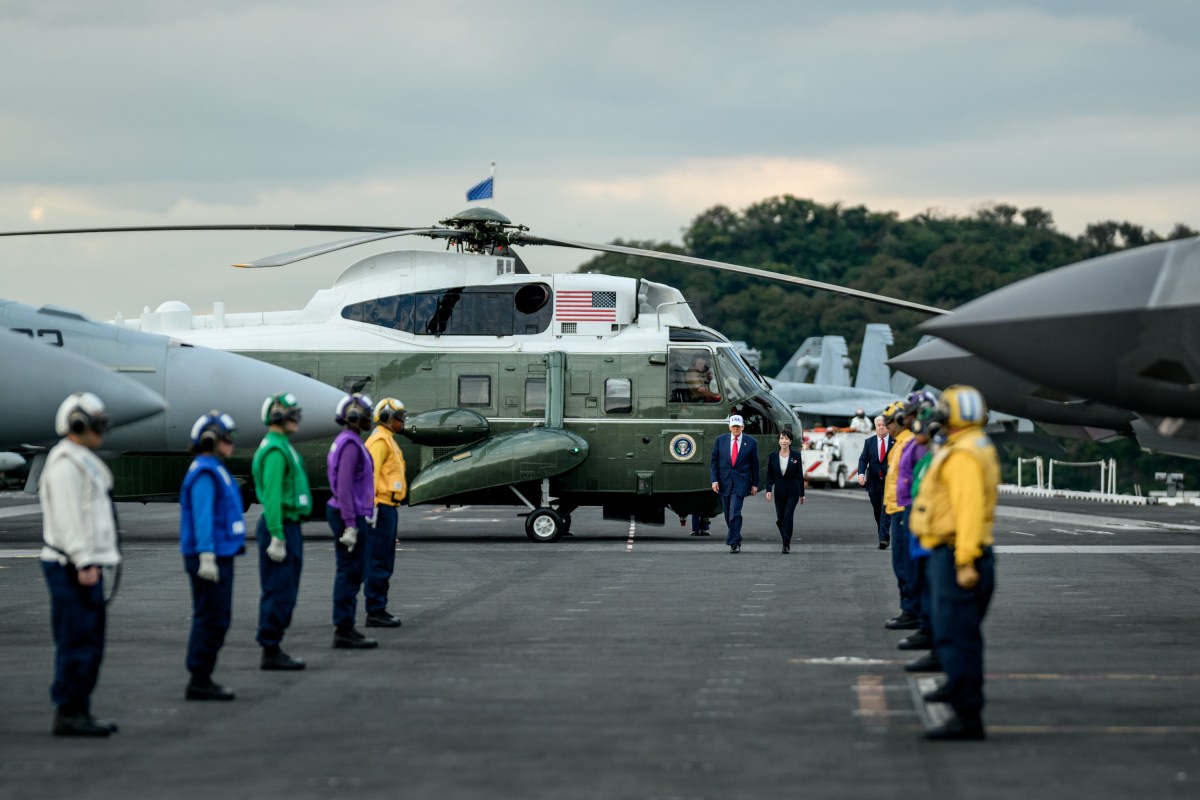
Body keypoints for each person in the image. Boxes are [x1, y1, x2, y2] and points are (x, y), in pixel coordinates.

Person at [910, 385, 999, 741]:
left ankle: (966, 715)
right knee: (960, 633)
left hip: (955, 553)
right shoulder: (972, 445)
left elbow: (968, 512)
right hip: (955, 552)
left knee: (956, 635)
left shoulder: (962, 455)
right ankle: (959, 693)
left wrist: (964, 561)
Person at [39, 392, 119, 737]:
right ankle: (69, 712)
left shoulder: (81, 459)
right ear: (77, 424)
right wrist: (85, 560)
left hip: (84, 565)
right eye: (96, 423)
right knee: (77, 638)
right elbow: (69, 519)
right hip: (71, 566)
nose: (102, 430)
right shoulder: (64, 464)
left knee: (89, 639)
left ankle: (79, 708)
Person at [179, 411, 245, 701]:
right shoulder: (205, 472)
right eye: (227, 438)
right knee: (210, 617)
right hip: (210, 557)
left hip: (221, 553)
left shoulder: (214, 467)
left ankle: (202, 675)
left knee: (218, 617)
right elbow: (203, 517)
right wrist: (206, 555)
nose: (231, 443)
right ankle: (199, 678)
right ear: (211, 440)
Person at [252, 392, 312, 671]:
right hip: (281, 526)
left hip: (288, 526)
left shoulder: (283, 445)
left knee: (286, 588)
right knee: (279, 589)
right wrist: (276, 534)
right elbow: (272, 497)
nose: (296, 418)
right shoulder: (276, 450)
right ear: (278, 415)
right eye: (292, 413)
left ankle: (273, 644)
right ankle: (270, 648)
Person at [326, 393, 379, 650]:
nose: (371, 418)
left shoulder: (351, 441)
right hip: (350, 515)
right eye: (367, 414)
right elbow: (344, 488)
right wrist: (349, 523)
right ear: (356, 417)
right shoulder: (349, 445)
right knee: (349, 572)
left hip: (355, 513)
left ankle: (346, 626)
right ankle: (344, 629)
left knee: (352, 571)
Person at [893, 392, 937, 652]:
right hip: (909, 508)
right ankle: (923, 624)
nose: (906, 418)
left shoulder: (925, 445)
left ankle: (925, 624)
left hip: (917, 510)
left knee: (920, 571)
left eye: (912, 413)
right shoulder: (914, 442)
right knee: (913, 568)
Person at [901, 414, 945, 675]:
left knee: (943, 602)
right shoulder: (930, 455)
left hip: (939, 541)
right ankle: (932, 642)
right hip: (923, 537)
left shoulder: (958, 456)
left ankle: (961, 689)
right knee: (925, 589)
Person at [364, 398, 408, 628]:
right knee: (379, 561)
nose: (402, 421)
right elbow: (369, 475)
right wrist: (370, 508)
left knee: (385, 560)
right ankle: (375, 611)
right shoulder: (380, 441)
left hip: (389, 507)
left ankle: (378, 607)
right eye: (399, 416)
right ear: (386, 418)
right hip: (380, 508)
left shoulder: (388, 440)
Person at [882, 400, 917, 631]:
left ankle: (911, 611)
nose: (886, 426)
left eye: (888, 422)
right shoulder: (899, 444)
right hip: (896, 509)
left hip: (904, 509)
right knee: (900, 564)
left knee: (905, 564)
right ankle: (910, 609)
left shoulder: (909, 444)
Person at [710, 414, 759, 554]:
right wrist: (714, 480)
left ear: (743, 427)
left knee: (734, 512)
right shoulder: (721, 440)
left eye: (738, 426)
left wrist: (754, 484)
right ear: (729, 427)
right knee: (727, 513)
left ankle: (734, 543)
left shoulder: (751, 442)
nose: (736, 428)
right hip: (724, 482)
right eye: (733, 426)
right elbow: (714, 462)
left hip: (741, 483)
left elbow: (755, 465)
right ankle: (736, 535)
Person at [763, 429, 804, 554]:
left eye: (786, 438)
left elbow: (800, 475)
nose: (784, 441)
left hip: (793, 491)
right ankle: (785, 538)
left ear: (790, 441)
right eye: (781, 438)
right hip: (779, 491)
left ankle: (786, 543)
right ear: (778, 441)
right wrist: (768, 489)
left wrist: (802, 494)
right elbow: (770, 475)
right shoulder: (773, 456)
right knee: (780, 518)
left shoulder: (796, 456)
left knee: (788, 515)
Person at [856, 414, 893, 549]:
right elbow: (863, 460)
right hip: (873, 482)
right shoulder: (869, 442)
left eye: (884, 425)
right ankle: (883, 535)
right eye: (879, 425)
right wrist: (861, 474)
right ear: (875, 427)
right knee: (878, 511)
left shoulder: (895, 442)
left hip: (890, 482)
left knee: (885, 510)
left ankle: (883, 539)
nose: (881, 428)